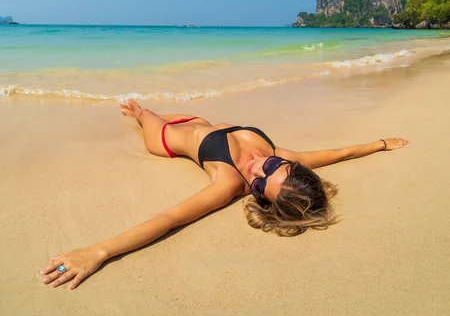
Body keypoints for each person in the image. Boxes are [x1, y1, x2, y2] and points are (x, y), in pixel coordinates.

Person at [40, 98, 409, 290]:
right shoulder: (284, 153)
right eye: (269, 169)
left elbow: (169, 219)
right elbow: (339, 153)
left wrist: (97, 251)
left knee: (145, 114)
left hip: (167, 140)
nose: (255, 172)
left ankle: (137, 112)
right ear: (289, 166)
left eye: (260, 188)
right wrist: (380, 143)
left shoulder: (229, 183)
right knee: (177, 113)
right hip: (201, 122)